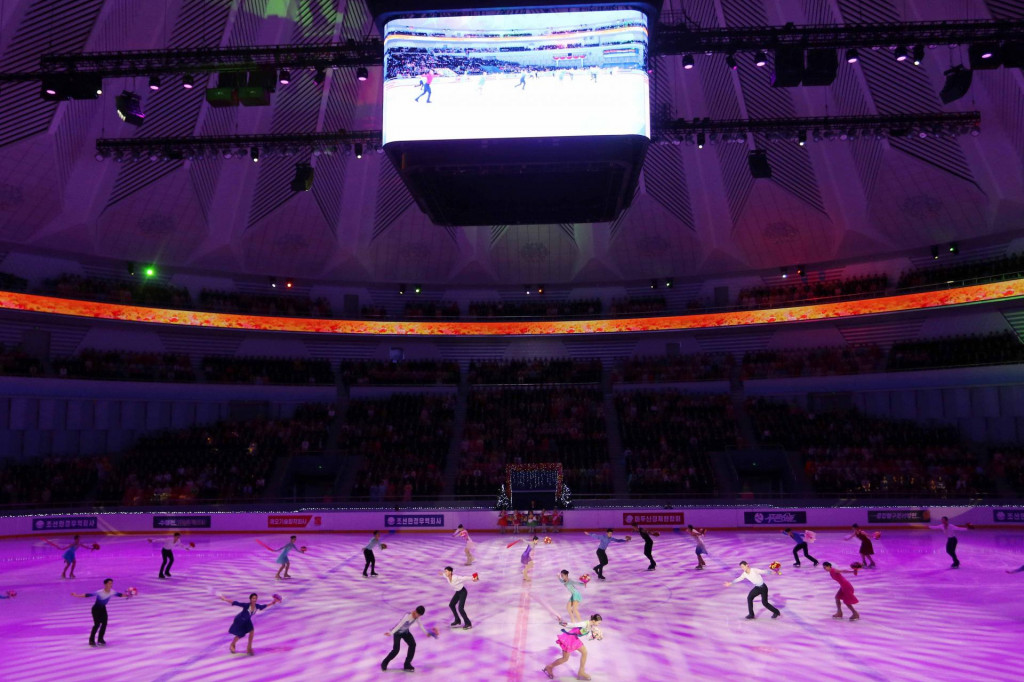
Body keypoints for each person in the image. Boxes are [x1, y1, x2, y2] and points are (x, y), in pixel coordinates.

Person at [541, 614, 603, 681]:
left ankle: (581, 672)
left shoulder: (590, 626)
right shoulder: (584, 624)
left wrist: (595, 636)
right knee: (565, 659)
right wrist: (561, 622)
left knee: (584, 652)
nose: (599, 624)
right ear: (594, 621)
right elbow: (573, 625)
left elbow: (588, 637)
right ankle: (549, 667)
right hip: (569, 639)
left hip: (574, 639)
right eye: (598, 622)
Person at [71, 578, 129, 646]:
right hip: (96, 609)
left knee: (104, 624)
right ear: (105, 584)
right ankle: (91, 640)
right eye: (109, 583)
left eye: (111, 583)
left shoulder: (112, 592)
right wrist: (77, 595)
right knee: (97, 625)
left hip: (103, 609)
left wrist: (128, 595)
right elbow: (87, 595)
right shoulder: (100, 592)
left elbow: (120, 595)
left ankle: (100, 639)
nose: (111, 585)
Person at [382, 605, 428, 672]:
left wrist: (426, 633)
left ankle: (407, 664)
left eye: (420, 615)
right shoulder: (407, 616)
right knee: (396, 650)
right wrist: (391, 633)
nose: (418, 617)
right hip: (397, 632)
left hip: (405, 632)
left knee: (412, 644)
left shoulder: (417, 617)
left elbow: (420, 625)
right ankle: (384, 662)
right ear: (415, 611)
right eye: (418, 614)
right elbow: (399, 625)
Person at [442, 565, 478, 629]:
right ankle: (457, 620)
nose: (445, 573)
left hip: (463, 592)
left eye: (446, 571)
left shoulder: (455, 577)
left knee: (460, 608)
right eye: (445, 571)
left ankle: (468, 624)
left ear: (450, 572)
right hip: (458, 592)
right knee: (451, 605)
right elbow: (443, 574)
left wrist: (473, 578)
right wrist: (441, 573)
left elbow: (464, 578)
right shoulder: (447, 576)